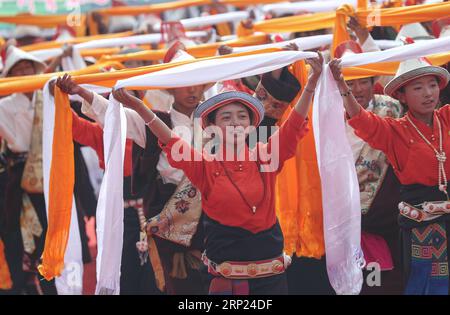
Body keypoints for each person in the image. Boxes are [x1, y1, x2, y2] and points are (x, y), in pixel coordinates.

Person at [110, 52, 323, 295]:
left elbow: (294, 124)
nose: (235, 122)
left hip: (270, 274)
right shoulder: (204, 165)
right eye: (226, 117)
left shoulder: (267, 155)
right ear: (212, 128)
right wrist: (139, 106)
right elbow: (168, 138)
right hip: (226, 276)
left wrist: (312, 84)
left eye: (242, 116)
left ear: (252, 125)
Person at [329, 56, 450, 295]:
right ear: (402, 95)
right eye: (418, 88)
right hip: (421, 227)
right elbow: (362, 121)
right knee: (426, 285)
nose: (428, 93)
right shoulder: (395, 131)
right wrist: (343, 86)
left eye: (432, 85)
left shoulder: (446, 118)